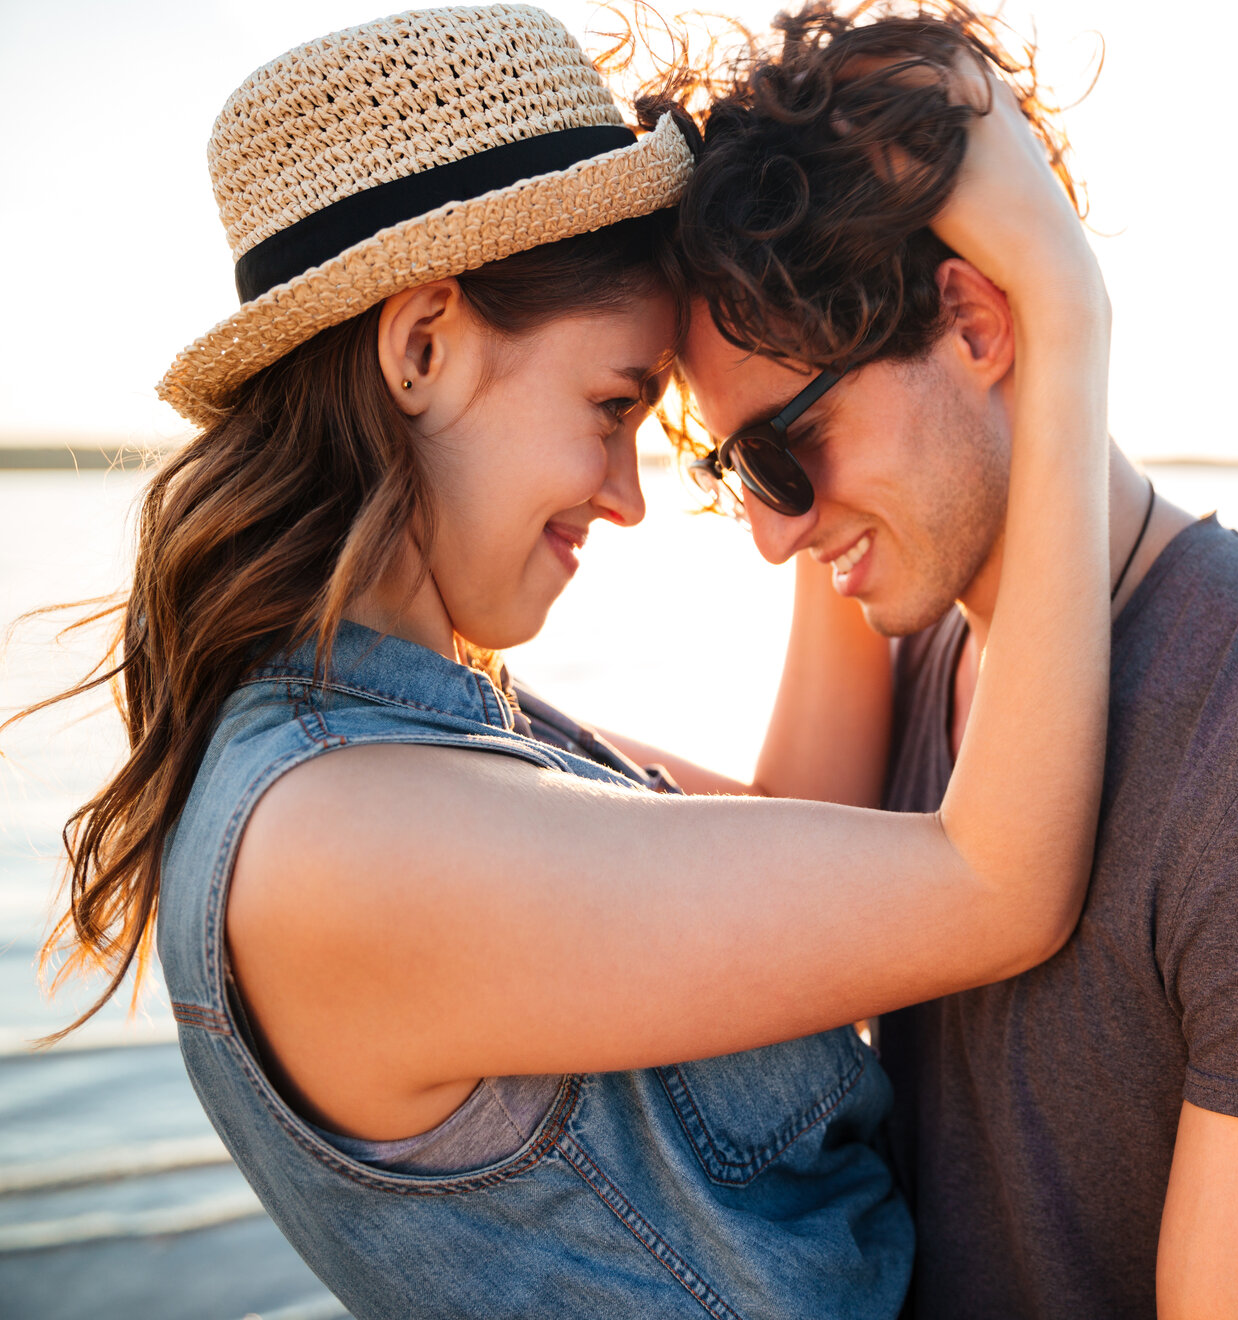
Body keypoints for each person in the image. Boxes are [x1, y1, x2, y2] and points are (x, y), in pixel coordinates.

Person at [16, 7, 1113, 1318]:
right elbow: (992, 886)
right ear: (422, 346)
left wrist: (804, 419)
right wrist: (1064, 306)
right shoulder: (343, 843)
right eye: (611, 408)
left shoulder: (402, 742)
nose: (628, 494)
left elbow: (819, 842)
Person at [661, 5, 1238, 1316]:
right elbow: (784, 874)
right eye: (729, 469)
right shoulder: (909, 638)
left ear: (977, 323)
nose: (770, 533)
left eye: (779, 457)